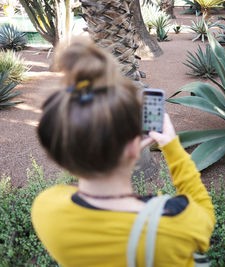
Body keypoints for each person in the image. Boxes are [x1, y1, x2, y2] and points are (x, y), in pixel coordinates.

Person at [31, 38, 215, 267]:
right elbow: (205, 212)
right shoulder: (175, 224)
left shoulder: (46, 209)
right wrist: (171, 146)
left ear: (60, 155)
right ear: (132, 146)